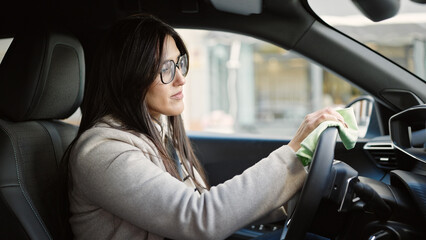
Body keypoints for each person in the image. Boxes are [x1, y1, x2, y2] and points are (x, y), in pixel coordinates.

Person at [67, 14, 347, 240]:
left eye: (180, 63)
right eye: (165, 68)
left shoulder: (156, 131)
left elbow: (203, 201)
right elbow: (199, 218)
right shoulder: (101, 152)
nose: (181, 78)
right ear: (129, 77)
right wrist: (293, 153)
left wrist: (288, 199)